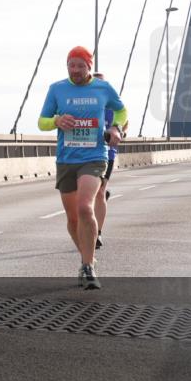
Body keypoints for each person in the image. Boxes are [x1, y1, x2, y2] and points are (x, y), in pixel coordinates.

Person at [38, 47, 126, 290]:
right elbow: (42, 121)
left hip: (95, 156)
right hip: (67, 159)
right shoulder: (57, 89)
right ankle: (87, 258)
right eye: (70, 65)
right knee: (73, 218)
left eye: (80, 65)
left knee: (85, 207)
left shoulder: (103, 88)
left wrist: (116, 128)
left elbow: (121, 110)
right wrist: (56, 120)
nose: (75, 70)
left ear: (89, 66)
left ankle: (88, 267)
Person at [92, 72, 128, 249]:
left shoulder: (112, 105)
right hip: (85, 154)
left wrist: (118, 131)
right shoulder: (87, 103)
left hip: (107, 153)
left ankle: (97, 233)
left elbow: (125, 121)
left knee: (99, 192)